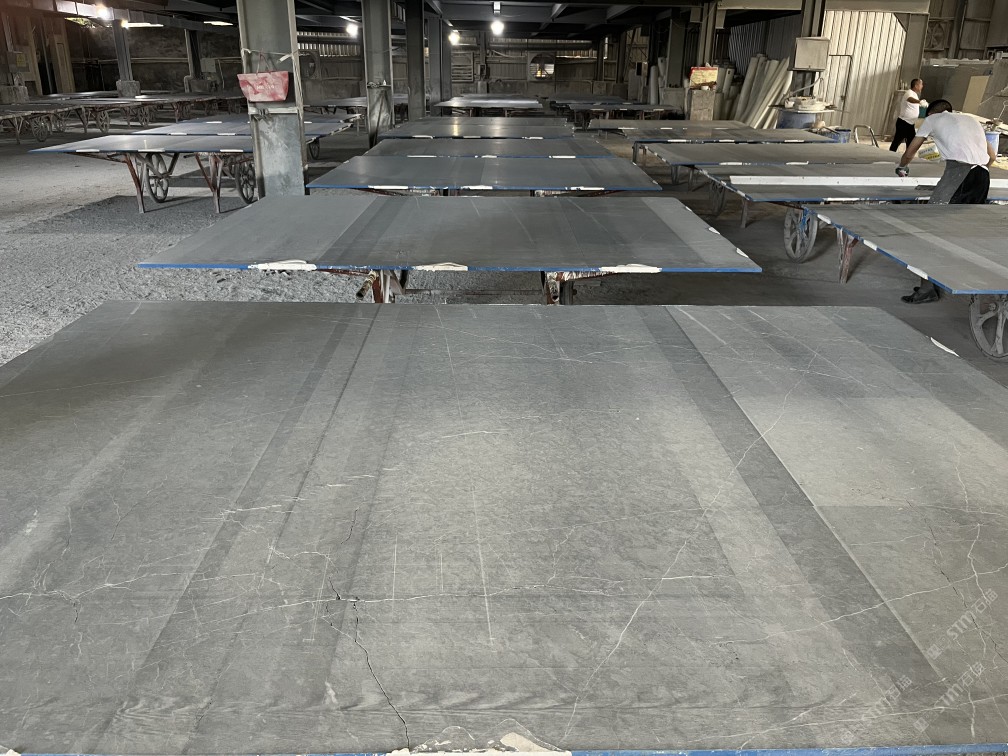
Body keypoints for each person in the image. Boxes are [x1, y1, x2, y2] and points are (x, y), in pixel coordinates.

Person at [895, 99, 997, 303]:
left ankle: (927, 290)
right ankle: (963, 279)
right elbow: (992, 156)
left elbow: (910, 152)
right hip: (983, 176)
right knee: (961, 229)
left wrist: (902, 167)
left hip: (959, 173)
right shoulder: (972, 120)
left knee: (929, 228)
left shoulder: (932, 119)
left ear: (932, 113)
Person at [890, 78, 927, 152]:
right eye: (921, 84)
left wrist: (922, 104)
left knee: (911, 143)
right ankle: (890, 154)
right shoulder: (909, 92)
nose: (922, 86)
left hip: (910, 124)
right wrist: (919, 101)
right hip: (904, 123)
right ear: (916, 85)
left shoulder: (915, 94)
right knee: (897, 141)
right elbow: (910, 99)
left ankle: (907, 156)